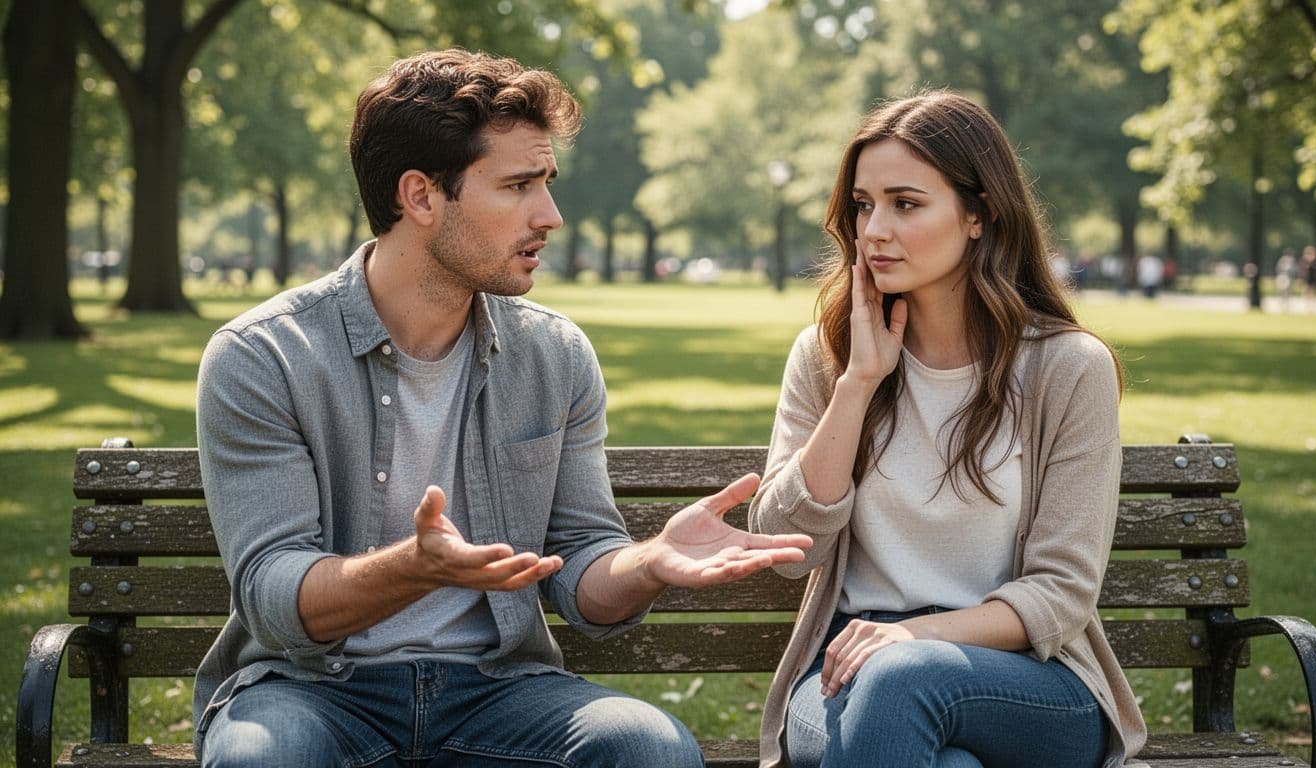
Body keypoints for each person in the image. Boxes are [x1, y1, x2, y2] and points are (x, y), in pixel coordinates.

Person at [193, 48, 812, 768]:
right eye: (518, 185)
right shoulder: (263, 356)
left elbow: (582, 571)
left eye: (545, 183)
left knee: (650, 748)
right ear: (421, 197)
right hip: (310, 691)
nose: (550, 216)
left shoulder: (555, 355)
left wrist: (647, 562)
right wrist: (417, 568)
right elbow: (274, 597)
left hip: (497, 689)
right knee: (260, 759)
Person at [748, 90, 1146, 768]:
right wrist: (858, 385)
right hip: (846, 667)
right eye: (863, 205)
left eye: (906, 204)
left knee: (904, 680)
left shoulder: (1066, 369)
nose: (874, 230)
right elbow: (788, 551)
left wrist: (918, 638)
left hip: (1027, 677)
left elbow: (1063, 591)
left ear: (979, 215)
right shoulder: (827, 356)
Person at [1300, 244, 1316, 311]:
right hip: (1307, 279)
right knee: (1306, 293)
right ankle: (1308, 306)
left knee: (1313, 293)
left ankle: (1313, 306)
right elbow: (1302, 271)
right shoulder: (1304, 261)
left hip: (1313, 280)